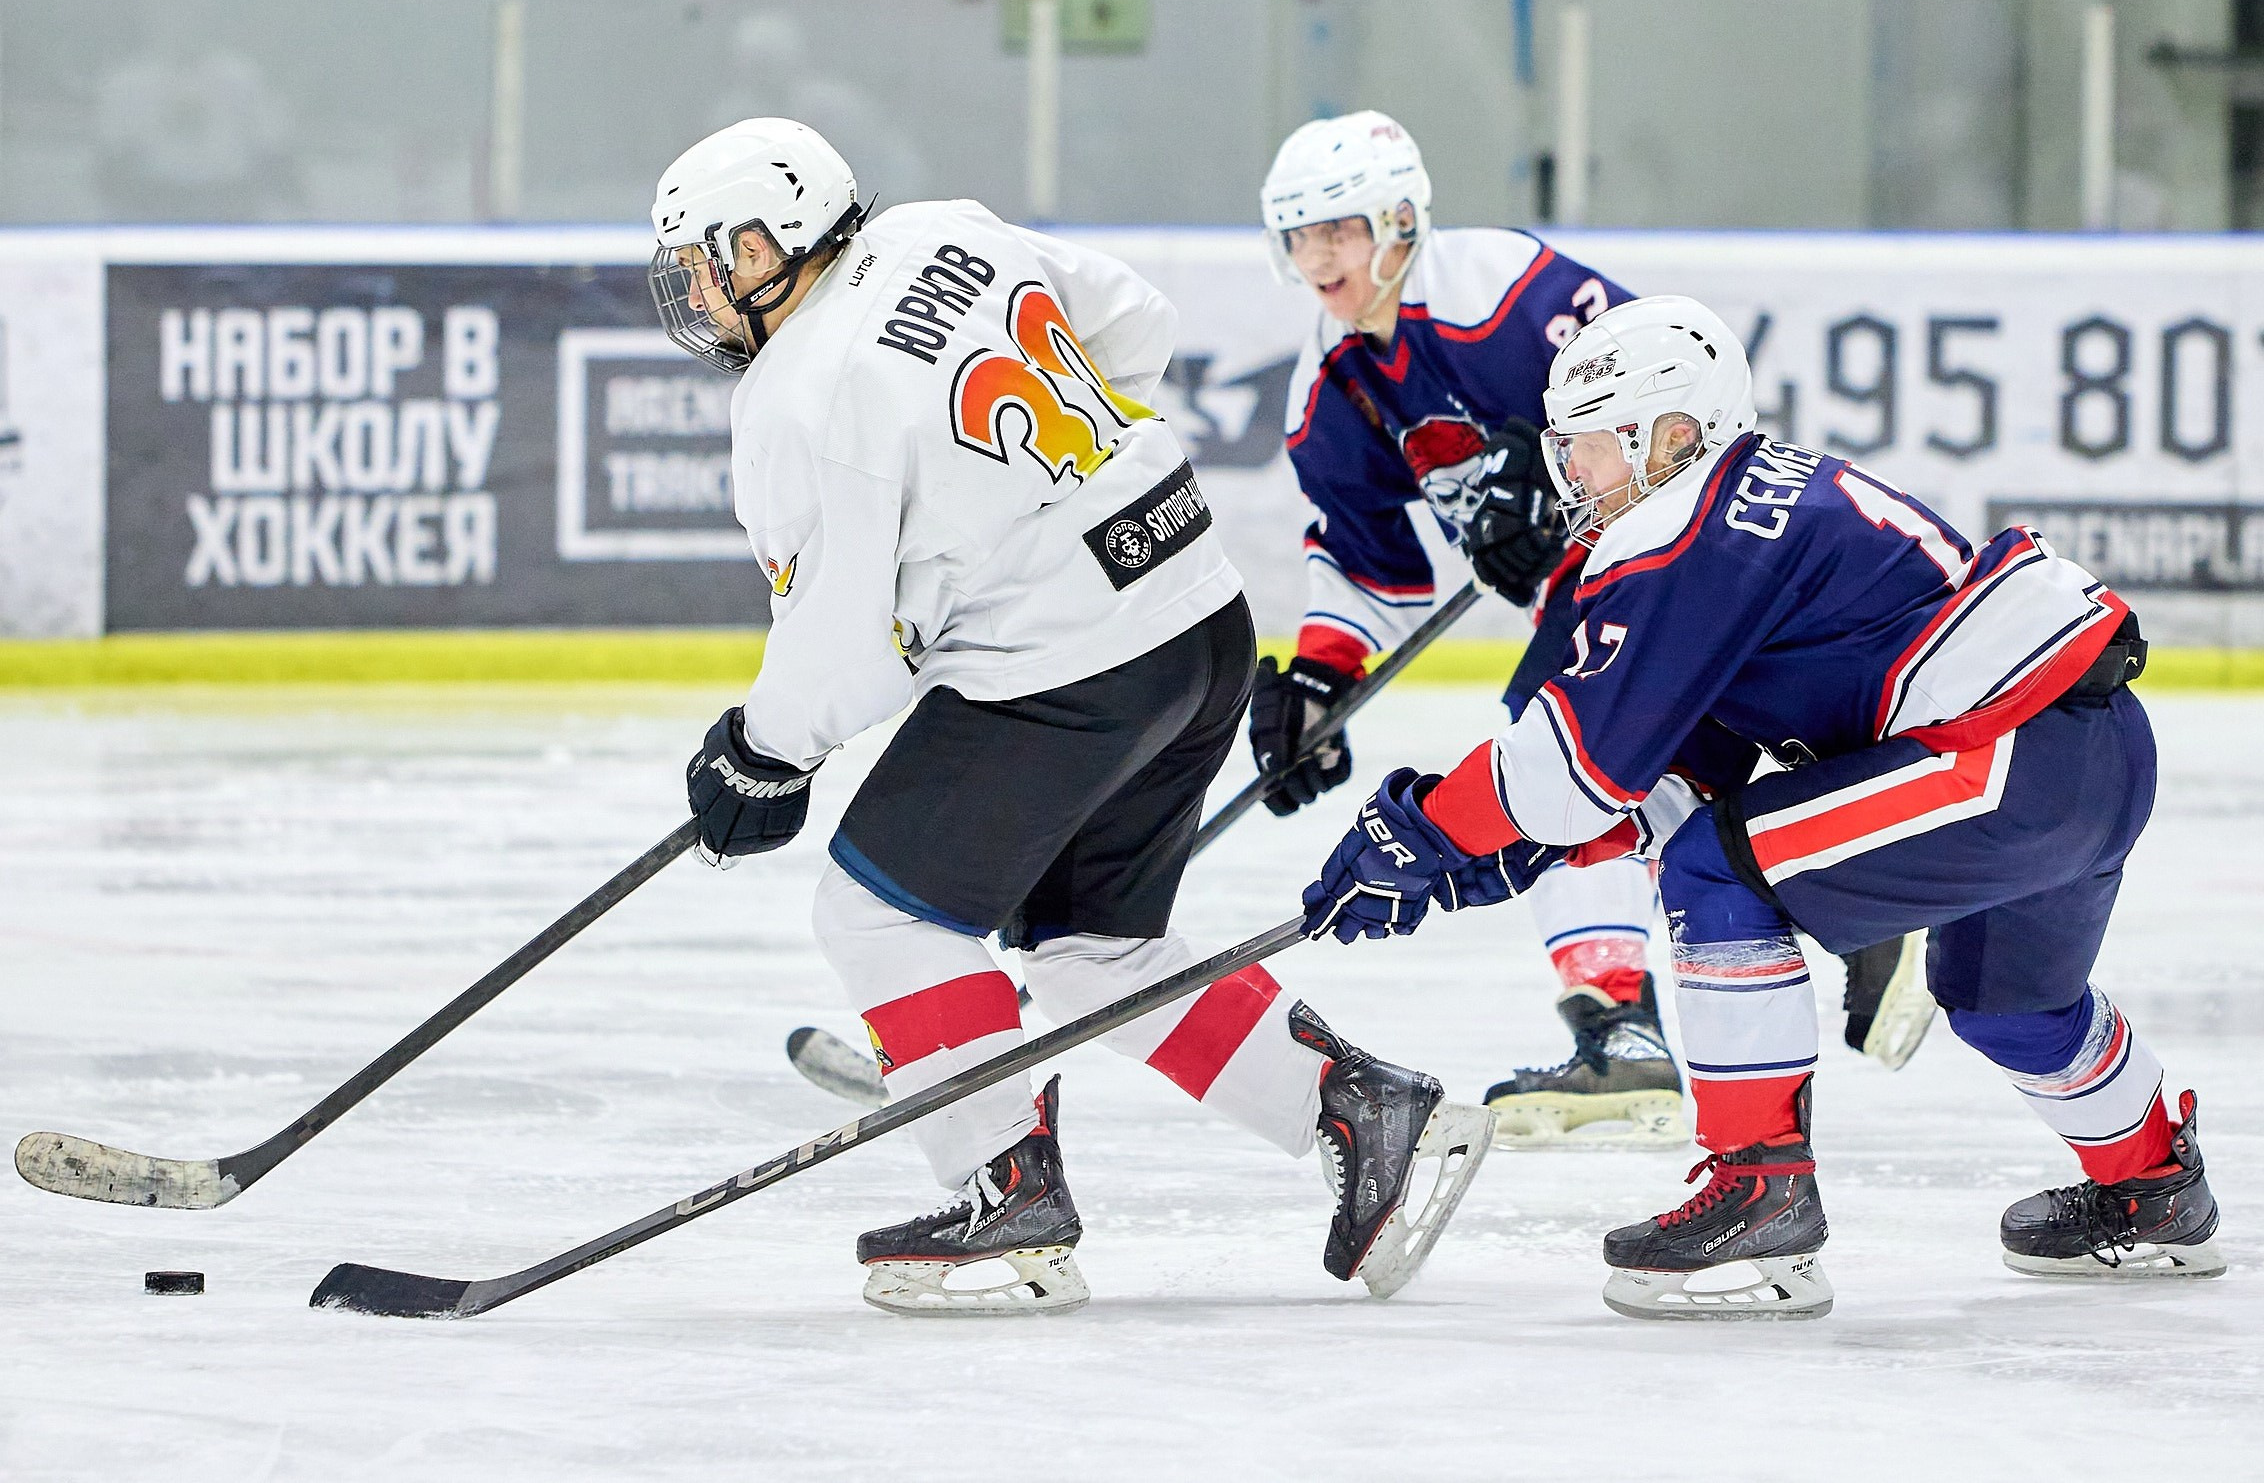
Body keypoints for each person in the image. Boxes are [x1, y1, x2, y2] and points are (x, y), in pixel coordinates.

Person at [652, 118, 1491, 1316]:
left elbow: (844, 648)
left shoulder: (794, 396)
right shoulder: (940, 232)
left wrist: (761, 754)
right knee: (1087, 945)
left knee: (879, 913)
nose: (693, 291)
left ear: (766, 243)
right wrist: (1049, 500)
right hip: (1195, 612)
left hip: (1066, 675)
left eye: (702, 262)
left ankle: (1007, 1192)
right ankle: (1359, 1109)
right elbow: (1136, 323)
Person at [1300, 293, 2222, 1319]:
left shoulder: (1683, 530)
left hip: (2000, 763)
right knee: (2011, 1005)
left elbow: (1573, 770)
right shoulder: (1751, 500)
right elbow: (1689, 766)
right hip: (2083, 750)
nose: (1574, 478)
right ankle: (2154, 1187)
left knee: (1715, 870)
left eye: (1593, 449)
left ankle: (1759, 1193)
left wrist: (1423, 826)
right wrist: (1508, 853)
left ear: (1673, 433)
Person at [1253, 111, 1681, 1146]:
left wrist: (1549, 482)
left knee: (1563, 764)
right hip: (1588, 602)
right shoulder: (1335, 378)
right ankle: (1625, 1026)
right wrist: (1318, 677)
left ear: (1399, 221)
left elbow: (1673, 399)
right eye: (1297, 235)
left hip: (1678, 563)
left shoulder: (1503, 293)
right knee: (1588, 776)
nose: (1316, 257)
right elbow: (1367, 558)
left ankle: (1633, 1023)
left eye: (1339, 230)